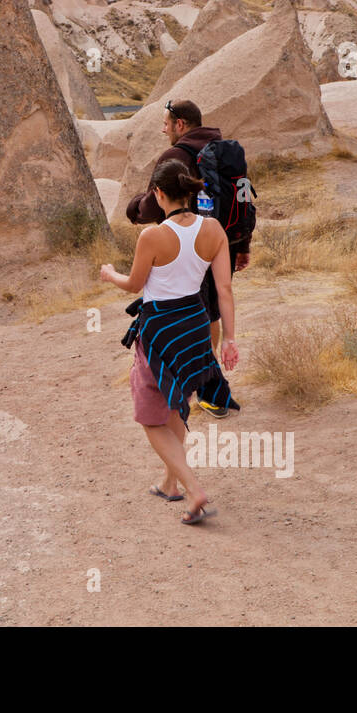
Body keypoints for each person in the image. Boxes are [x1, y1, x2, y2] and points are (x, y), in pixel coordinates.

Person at [101, 159, 238, 525]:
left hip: (162, 328)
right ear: (190, 190)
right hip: (195, 323)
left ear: (159, 194)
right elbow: (223, 289)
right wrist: (229, 339)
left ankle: (194, 490)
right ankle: (170, 483)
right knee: (178, 402)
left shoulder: (152, 235)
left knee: (149, 416)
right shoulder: (213, 230)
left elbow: (134, 284)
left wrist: (110, 274)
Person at [125, 98, 247, 418]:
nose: (163, 129)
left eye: (166, 123)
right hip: (220, 240)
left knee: (193, 314)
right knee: (212, 314)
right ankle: (209, 388)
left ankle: (201, 387)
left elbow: (153, 204)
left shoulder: (176, 155)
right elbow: (244, 195)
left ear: (181, 124)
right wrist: (243, 243)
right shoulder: (224, 148)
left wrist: (134, 209)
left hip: (186, 243)